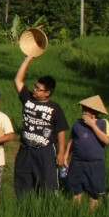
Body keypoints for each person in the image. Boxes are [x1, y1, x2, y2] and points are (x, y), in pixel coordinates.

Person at [12, 55, 68, 197]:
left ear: (47, 92)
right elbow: (18, 80)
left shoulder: (55, 108)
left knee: (48, 188)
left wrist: (61, 153)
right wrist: (27, 60)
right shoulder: (28, 99)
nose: (35, 90)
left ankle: (48, 214)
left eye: (39, 89)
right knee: (23, 186)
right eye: (35, 87)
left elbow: (61, 131)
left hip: (45, 152)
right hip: (25, 150)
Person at [65, 96, 109, 210]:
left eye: (88, 109)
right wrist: (66, 155)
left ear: (95, 112)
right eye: (84, 109)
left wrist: (93, 125)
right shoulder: (78, 123)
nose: (85, 111)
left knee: (94, 192)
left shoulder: (103, 123)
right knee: (75, 190)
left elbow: (107, 140)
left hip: (95, 164)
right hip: (77, 163)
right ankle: (75, 215)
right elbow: (72, 140)